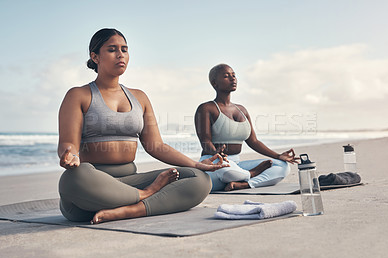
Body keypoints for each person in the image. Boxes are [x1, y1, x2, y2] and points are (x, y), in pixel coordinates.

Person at [58, 28, 227, 224]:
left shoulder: (139, 97)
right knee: (72, 178)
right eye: (112, 49)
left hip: (130, 179)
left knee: (199, 178)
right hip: (94, 187)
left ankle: (130, 210)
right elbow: (68, 143)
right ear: (95, 57)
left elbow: (156, 146)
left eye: (124, 49)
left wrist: (197, 164)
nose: (120, 55)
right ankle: (146, 194)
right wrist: (70, 155)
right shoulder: (78, 95)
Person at [194, 64, 298, 192]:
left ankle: (244, 184)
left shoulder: (242, 110)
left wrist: (278, 156)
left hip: (237, 164)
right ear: (215, 83)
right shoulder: (206, 108)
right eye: (226, 76)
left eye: (234, 75)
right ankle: (251, 174)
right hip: (214, 165)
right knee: (227, 170)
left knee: (282, 166)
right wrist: (216, 153)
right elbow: (205, 142)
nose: (233, 79)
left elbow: (254, 141)